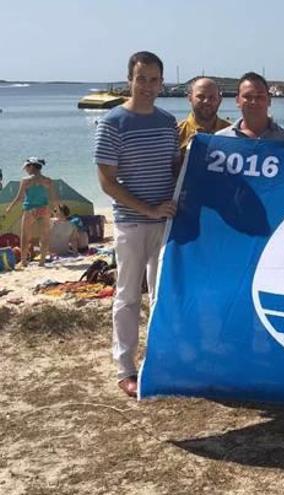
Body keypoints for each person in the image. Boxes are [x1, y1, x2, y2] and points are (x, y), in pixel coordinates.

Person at [95, 51, 179, 398]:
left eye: (154, 79)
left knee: (162, 296)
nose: (147, 86)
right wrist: (148, 208)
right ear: (130, 79)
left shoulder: (167, 122)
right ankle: (125, 367)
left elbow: (175, 170)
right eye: (141, 78)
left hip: (165, 224)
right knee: (128, 296)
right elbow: (107, 183)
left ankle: (159, 362)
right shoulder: (113, 122)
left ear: (162, 82)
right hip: (131, 224)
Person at [3, 157, 58, 267]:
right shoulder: (47, 180)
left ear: (32, 166)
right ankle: (42, 261)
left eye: (26, 167)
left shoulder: (26, 180)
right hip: (43, 208)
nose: (26, 170)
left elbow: (19, 197)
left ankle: (23, 262)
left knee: (25, 235)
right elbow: (53, 197)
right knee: (44, 235)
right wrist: (55, 209)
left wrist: (10, 207)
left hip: (29, 209)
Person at [215, 72, 284, 141]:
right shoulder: (221, 140)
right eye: (247, 97)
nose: (254, 102)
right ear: (237, 101)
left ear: (269, 100)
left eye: (259, 97)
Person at [177, 77, 230, 162]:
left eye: (212, 97)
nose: (206, 101)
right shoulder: (175, 133)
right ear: (190, 98)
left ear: (220, 100)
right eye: (201, 96)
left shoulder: (232, 134)